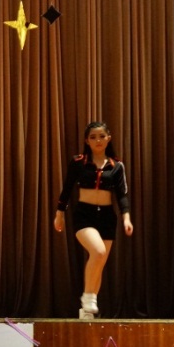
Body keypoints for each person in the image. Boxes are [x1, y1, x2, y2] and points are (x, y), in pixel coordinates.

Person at [53, 121, 132, 318]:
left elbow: (121, 195)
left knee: (99, 264)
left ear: (109, 138)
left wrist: (126, 218)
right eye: (93, 137)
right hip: (84, 215)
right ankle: (88, 297)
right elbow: (67, 188)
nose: (98, 140)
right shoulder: (79, 162)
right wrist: (59, 214)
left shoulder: (116, 166)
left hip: (107, 217)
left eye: (102, 136)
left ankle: (87, 311)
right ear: (87, 141)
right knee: (98, 251)